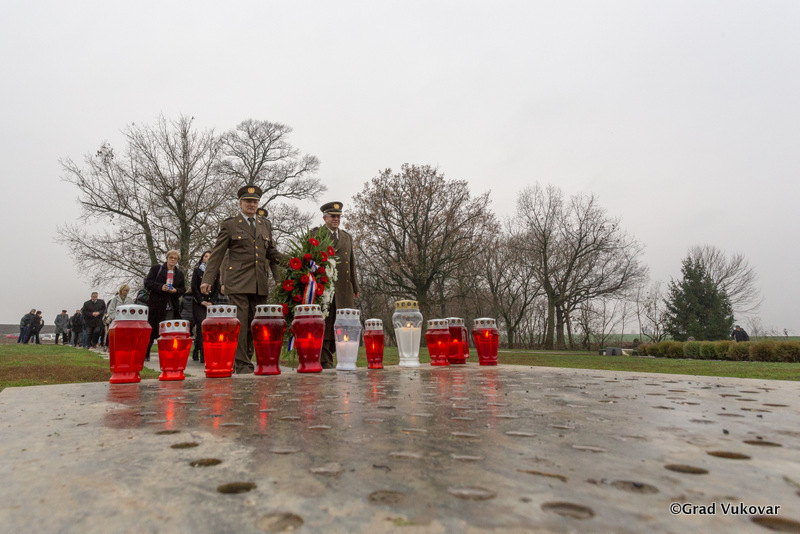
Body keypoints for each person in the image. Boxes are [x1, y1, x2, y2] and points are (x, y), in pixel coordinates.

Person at [201, 185, 285, 374]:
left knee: (255, 324)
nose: (251, 204)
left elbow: (271, 253)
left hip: (259, 282)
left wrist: (294, 262)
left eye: (255, 201)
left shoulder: (265, 224)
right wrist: (208, 279)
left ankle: (247, 357)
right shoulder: (230, 224)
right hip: (238, 281)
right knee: (241, 323)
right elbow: (218, 252)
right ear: (240, 203)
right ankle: (242, 365)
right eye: (248, 201)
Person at [315, 201, 360, 369]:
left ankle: (344, 359)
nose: (336, 219)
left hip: (344, 288)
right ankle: (325, 361)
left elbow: (351, 263)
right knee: (327, 325)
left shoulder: (346, 237)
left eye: (338, 216)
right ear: (324, 218)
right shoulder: (317, 235)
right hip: (325, 288)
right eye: (333, 216)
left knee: (344, 325)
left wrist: (355, 286)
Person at [144, 250, 186, 361]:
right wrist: (160, 287)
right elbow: (147, 283)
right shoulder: (156, 269)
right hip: (156, 305)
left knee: (169, 331)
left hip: (171, 306)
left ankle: (168, 354)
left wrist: (176, 291)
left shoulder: (179, 274)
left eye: (175, 258)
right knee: (152, 329)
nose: (173, 260)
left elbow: (183, 289)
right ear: (167, 258)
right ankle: (146, 353)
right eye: (171, 257)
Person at [191, 250, 219, 362]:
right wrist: (201, 301)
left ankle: (198, 348)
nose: (208, 258)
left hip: (210, 304)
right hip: (198, 303)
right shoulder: (197, 271)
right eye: (206, 256)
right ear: (202, 258)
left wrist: (212, 301)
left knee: (209, 328)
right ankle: (202, 352)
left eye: (210, 257)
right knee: (201, 326)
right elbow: (194, 287)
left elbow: (217, 288)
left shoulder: (216, 272)